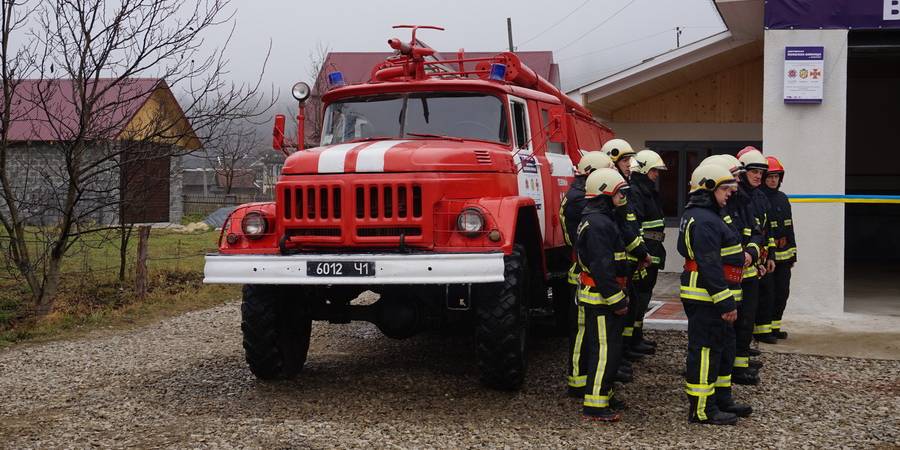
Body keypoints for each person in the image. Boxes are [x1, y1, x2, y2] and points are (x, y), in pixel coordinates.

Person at [678, 163, 752, 425]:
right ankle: (702, 410)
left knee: (721, 349)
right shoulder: (705, 220)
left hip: (708, 296)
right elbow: (709, 264)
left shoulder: (705, 215)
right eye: (724, 188)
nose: (729, 192)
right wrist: (724, 302)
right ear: (708, 188)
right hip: (707, 298)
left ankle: (721, 400)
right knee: (706, 352)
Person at [699, 155, 763, 384]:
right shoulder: (715, 212)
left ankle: (738, 365)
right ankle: (731, 371)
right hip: (728, 278)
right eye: (734, 177)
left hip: (746, 270)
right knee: (725, 332)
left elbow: (756, 231)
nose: (737, 183)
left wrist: (752, 254)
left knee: (744, 321)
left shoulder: (742, 202)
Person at [561, 151, 620, 396]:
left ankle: (583, 379)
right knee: (584, 333)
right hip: (586, 275)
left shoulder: (581, 199)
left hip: (587, 271)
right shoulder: (580, 201)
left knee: (588, 334)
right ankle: (579, 381)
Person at [575, 167, 631, 421]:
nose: (623, 198)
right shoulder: (599, 224)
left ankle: (604, 395)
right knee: (604, 351)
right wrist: (617, 299)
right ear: (605, 193)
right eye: (620, 193)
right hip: (601, 298)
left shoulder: (601, 220)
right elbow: (601, 266)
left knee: (610, 349)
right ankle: (596, 405)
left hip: (603, 296)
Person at [601, 138, 653, 360]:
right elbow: (623, 228)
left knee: (630, 305)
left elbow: (631, 224)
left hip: (630, 258)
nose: (629, 164)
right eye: (625, 160)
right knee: (618, 311)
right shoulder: (612, 190)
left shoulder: (624, 188)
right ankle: (619, 355)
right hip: (620, 260)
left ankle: (624, 350)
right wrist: (641, 252)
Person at [628, 149, 668, 351]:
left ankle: (637, 335)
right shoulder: (636, 192)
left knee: (644, 297)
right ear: (643, 170)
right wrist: (642, 253)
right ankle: (632, 340)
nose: (656, 175)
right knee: (639, 297)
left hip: (652, 251)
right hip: (644, 254)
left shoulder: (647, 190)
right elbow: (637, 227)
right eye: (654, 171)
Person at [738, 149, 778, 347]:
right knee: (742, 311)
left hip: (757, 260)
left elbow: (766, 230)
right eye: (754, 171)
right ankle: (739, 353)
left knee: (755, 305)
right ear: (742, 172)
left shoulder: (760, 197)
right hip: (743, 262)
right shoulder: (738, 197)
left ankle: (743, 351)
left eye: (761, 173)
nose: (758, 176)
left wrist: (770, 254)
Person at [760, 155, 797, 339]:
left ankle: (774, 327)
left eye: (776, 177)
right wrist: (769, 255)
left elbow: (790, 228)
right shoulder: (760, 199)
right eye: (769, 177)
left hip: (785, 254)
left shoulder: (783, 198)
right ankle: (763, 331)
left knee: (782, 292)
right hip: (769, 255)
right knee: (768, 293)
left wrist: (793, 254)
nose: (773, 180)